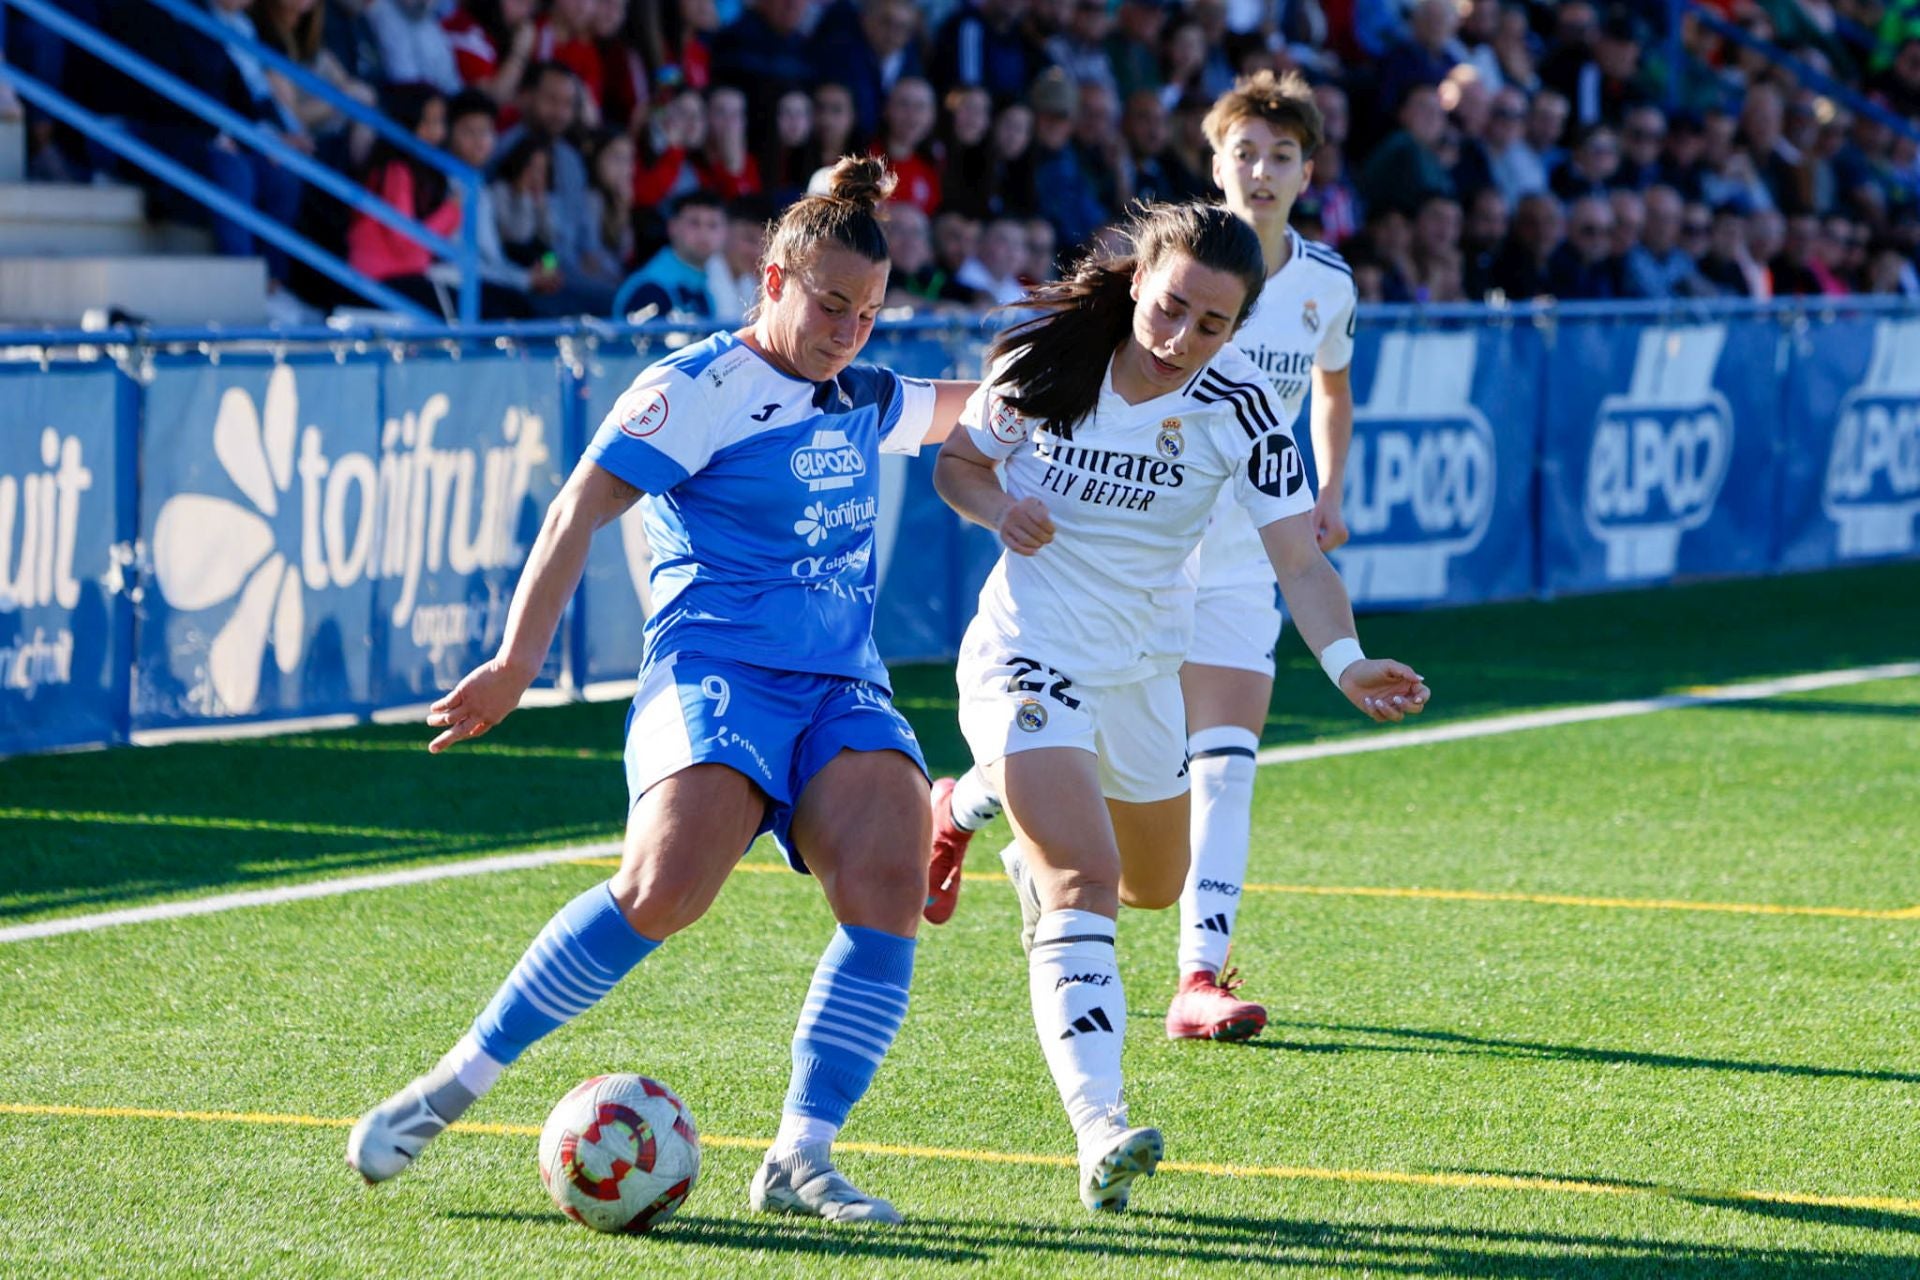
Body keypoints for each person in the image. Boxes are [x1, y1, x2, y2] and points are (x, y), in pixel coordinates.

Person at [346, 155, 977, 1226]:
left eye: (868, 312)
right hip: (717, 674)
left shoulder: (866, 390)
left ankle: (802, 1153)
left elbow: (978, 409)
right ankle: (453, 1084)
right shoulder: (695, 389)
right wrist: (514, 661)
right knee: (664, 887)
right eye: (829, 304)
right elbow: (573, 513)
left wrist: (1096, 375)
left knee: (890, 882)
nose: (848, 330)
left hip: (839, 686)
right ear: (771, 278)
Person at [927, 199, 1428, 1213]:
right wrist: (998, 505)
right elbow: (959, 463)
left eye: (1212, 325)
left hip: (1144, 666)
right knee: (1086, 877)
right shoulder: (1044, 361)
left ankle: (963, 807)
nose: (1181, 339)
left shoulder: (1241, 406)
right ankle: (1100, 1127)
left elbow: (1297, 554)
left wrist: (1345, 658)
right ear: (1138, 282)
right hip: (1027, 652)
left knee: (1156, 883)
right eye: (1170, 308)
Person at [925, 71, 1367, 1046]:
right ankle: (975, 807)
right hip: (1109, 567)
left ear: (1306, 170)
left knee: (1220, 772)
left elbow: (1330, 397)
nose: (1260, 169)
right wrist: (998, 499)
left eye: (1281, 154)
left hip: (1242, 541)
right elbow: (968, 440)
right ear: (1214, 163)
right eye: (1244, 151)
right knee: (1073, 752)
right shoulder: (1154, 274)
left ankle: (1197, 969)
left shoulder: (1322, 286)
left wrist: (1331, 509)